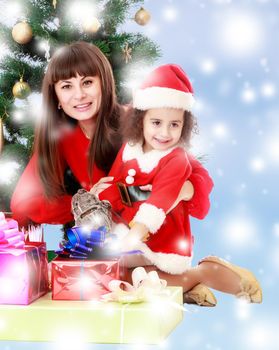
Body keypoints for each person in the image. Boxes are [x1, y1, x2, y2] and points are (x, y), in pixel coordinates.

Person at [98, 64, 262, 305]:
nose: (164, 133)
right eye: (156, 123)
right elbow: (114, 184)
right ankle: (186, 288)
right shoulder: (129, 149)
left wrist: (135, 234)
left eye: (174, 124)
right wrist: (102, 208)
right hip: (128, 228)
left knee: (136, 278)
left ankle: (202, 274)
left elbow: (160, 201)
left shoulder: (176, 158)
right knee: (122, 276)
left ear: (184, 126)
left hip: (162, 232)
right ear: (140, 120)